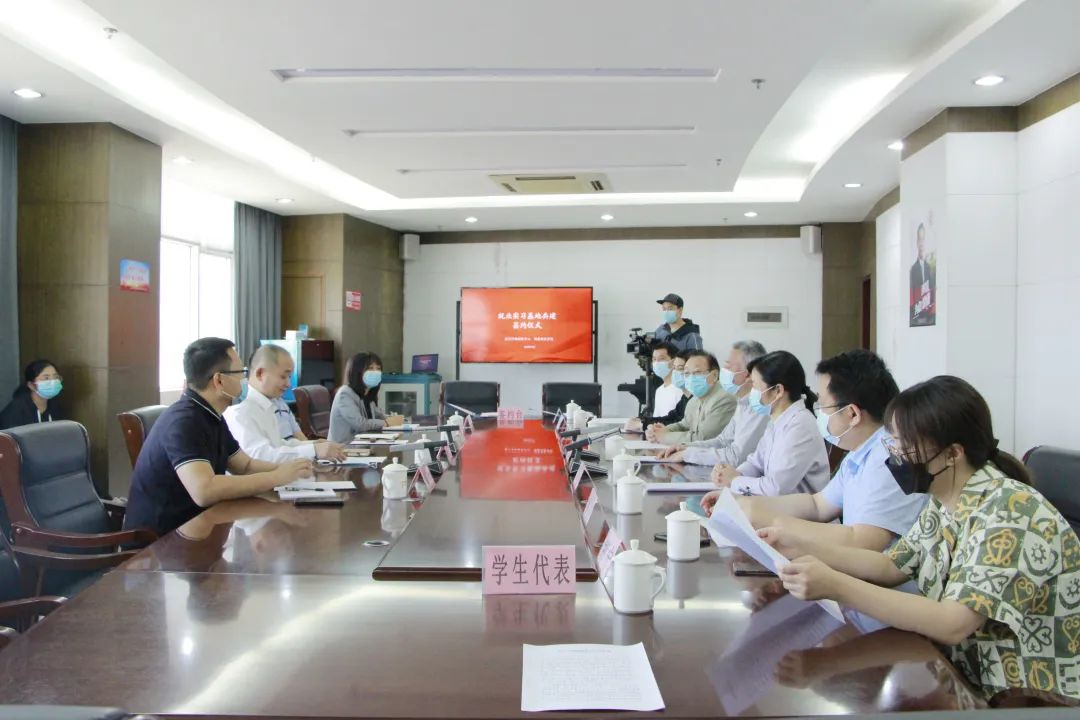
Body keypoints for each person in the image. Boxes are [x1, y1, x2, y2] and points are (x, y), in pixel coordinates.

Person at [769, 376, 1080, 701]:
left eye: (905, 445)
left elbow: (953, 623)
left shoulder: (1011, 513)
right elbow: (892, 565)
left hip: (1028, 697)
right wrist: (801, 547)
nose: (895, 454)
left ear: (953, 453)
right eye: (893, 442)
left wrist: (835, 585)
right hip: (963, 675)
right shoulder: (945, 498)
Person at [735, 349, 927, 552]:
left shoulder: (888, 458)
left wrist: (782, 527)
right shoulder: (860, 451)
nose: (818, 412)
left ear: (852, 414)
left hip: (875, 570)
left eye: (823, 406)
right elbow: (818, 505)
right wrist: (747, 505)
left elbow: (863, 541)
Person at [124, 338, 312, 537]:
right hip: (161, 542)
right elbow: (204, 490)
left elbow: (245, 465)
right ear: (219, 380)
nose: (245, 379)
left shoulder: (212, 415)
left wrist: (290, 470)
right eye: (240, 372)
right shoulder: (184, 421)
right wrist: (276, 477)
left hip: (198, 529)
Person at [701, 350, 829, 501]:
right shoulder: (776, 420)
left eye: (755, 386)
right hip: (776, 507)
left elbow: (775, 488)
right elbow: (756, 463)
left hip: (800, 513)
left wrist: (734, 481)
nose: (751, 392)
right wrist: (731, 474)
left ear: (778, 391)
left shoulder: (801, 426)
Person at [224, 345, 345, 463]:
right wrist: (313, 450)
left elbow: (278, 445)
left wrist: (313, 445)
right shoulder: (240, 411)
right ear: (260, 373)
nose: (288, 384)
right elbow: (260, 456)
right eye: (283, 376)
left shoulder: (268, 406)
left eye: (289, 377)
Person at [658, 340, 769, 467]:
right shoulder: (743, 403)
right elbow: (722, 441)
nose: (724, 371)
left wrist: (688, 454)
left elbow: (737, 457)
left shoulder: (759, 407)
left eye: (729, 366)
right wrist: (684, 447)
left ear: (750, 373)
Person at [649, 350, 735, 445]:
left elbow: (703, 438)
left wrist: (664, 437)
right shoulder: (693, 400)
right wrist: (663, 430)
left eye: (697, 372)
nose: (691, 377)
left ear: (714, 375)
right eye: (686, 373)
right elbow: (683, 425)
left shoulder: (724, 399)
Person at [328, 352, 401, 443]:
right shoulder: (345, 393)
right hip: (344, 448)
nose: (376, 372)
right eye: (370, 368)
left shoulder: (368, 393)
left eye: (378, 369)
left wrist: (393, 419)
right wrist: (386, 423)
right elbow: (360, 424)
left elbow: (378, 415)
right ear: (357, 371)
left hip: (364, 445)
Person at [625, 350, 691, 433]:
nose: (676, 372)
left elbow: (680, 425)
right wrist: (643, 420)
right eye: (674, 368)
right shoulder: (684, 398)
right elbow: (670, 418)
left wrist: (642, 425)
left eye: (680, 368)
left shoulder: (691, 397)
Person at [0, 359, 64, 429]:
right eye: (46, 378)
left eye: (56, 377)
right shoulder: (15, 411)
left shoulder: (54, 405)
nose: (53, 382)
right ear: (31, 385)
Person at [648, 341, 683, 419]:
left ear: (674, 361)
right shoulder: (659, 391)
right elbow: (656, 419)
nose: (656, 363)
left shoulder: (681, 389)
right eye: (654, 359)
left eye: (661, 359)